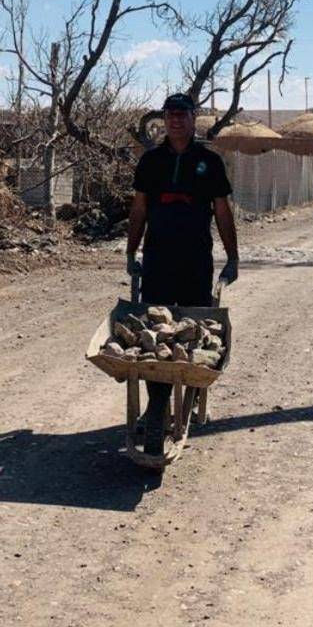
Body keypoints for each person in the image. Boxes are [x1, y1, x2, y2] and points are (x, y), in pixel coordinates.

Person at [124, 92, 239, 455]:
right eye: (170, 114)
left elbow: (222, 212)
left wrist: (232, 257)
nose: (175, 120)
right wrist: (131, 251)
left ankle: (186, 403)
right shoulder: (151, 161)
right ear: (165, 119)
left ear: (193, 119)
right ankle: (155, 406)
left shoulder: (209, 162)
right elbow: (139, 207)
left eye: (182, 114)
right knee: (154, 335)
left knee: (190, 333)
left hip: (195, 260)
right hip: (158, 258)